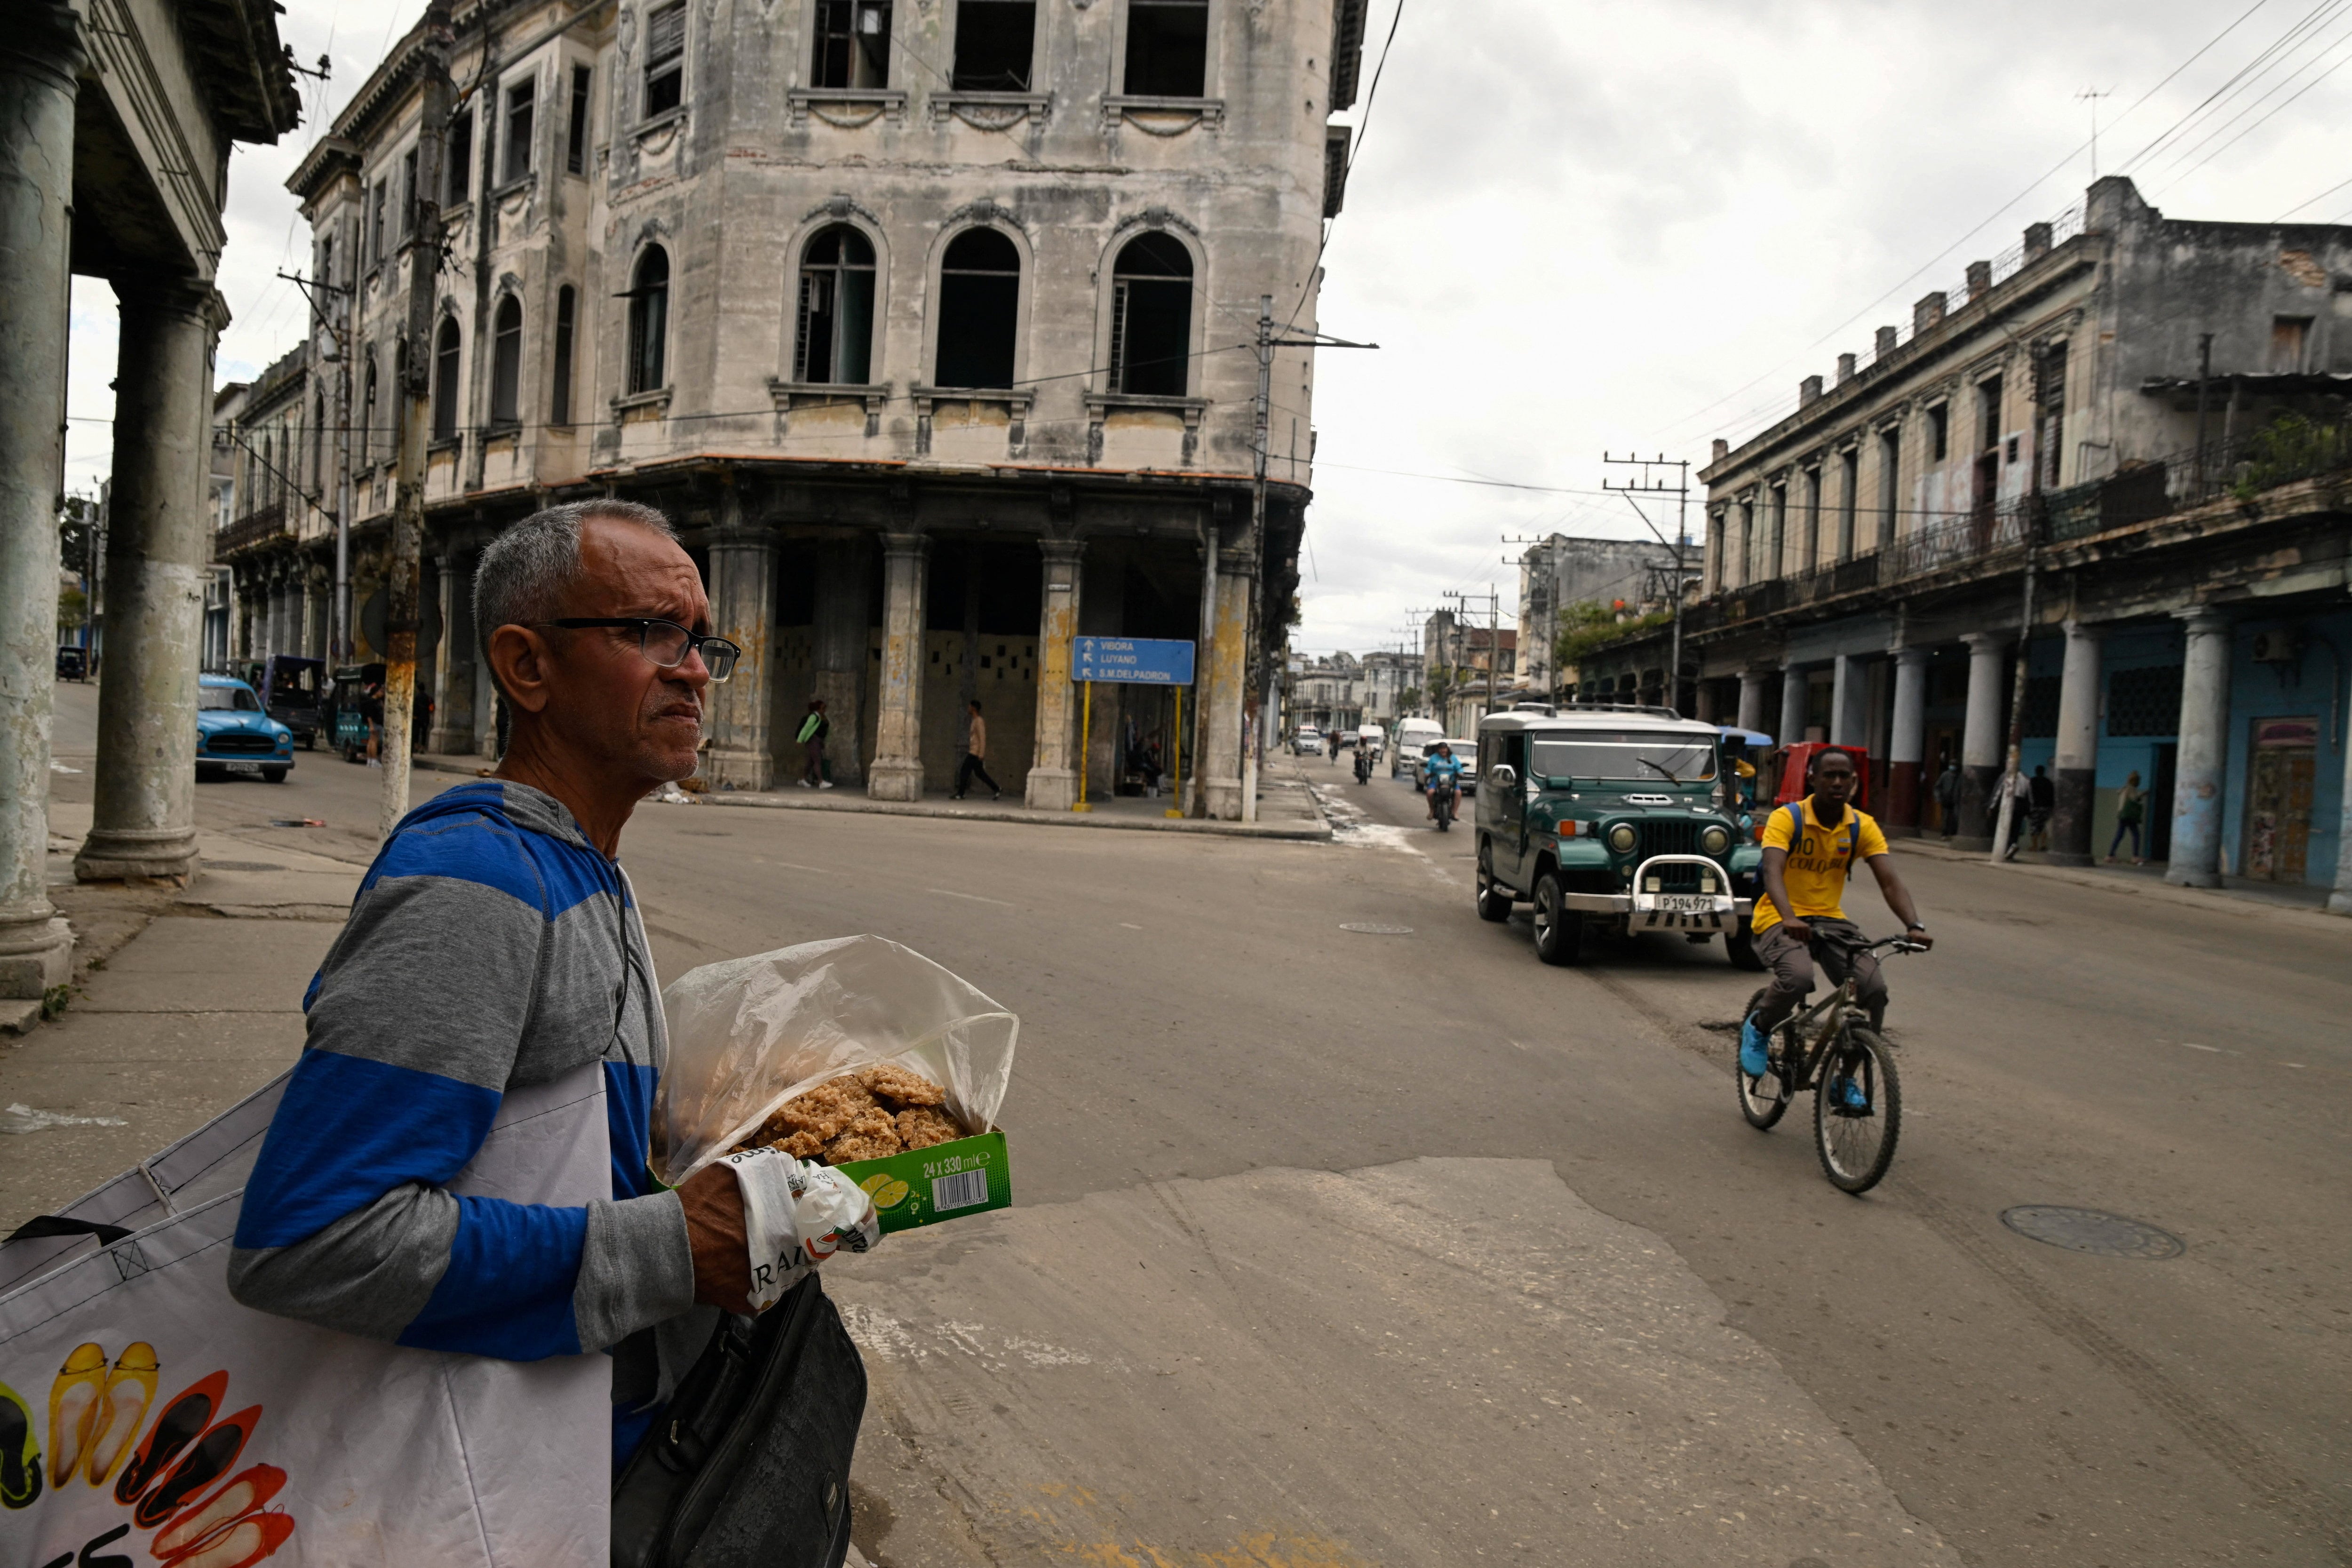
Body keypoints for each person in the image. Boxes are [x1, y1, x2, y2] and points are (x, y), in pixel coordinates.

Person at [227, 500, 773, 1479]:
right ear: (527, 666)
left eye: (699, 640)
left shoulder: (583, 863)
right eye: (650, 632)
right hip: (480, 1487)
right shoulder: (476, 881)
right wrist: (676, 1250)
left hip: (579, 1462)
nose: (693, 669)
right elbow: (312, 1237)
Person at [1739, 748, 1931, 1096]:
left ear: (1854, 781)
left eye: (1845, 776)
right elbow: (1772, 872)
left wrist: (1914, 924)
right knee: (1797, 977)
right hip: (1780, 916)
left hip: (1830, 920)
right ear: (1812, 779)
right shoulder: (1788, 818)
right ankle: (1759, 1027)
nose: (1838, 782)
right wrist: (1789, 917)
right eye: (1829, 775)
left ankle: (1846, 1077)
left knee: (1873, 989)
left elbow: (1889, 880)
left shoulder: (1861, 825)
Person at [951, 698, 1000, 800]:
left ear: (973, 708)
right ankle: (997, 789)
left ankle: (960, 794)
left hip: (975, 753)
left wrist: (981, 754)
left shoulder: (979, 721)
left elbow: (983, 738)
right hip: (974, 751)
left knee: (964, 771)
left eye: (969, 707)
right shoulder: (975, 721)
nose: (968, 708)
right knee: (980, 773)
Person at [2105, 770, 2147, 865]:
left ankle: (2110, 855)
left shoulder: (2124, 788)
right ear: (2135, 781)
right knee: (2136, 835)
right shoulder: (2131, 789)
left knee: (2119, 835)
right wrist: (2143, 794)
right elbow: (2134, 799)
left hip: (2122, 815)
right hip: (2129, 815)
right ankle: (2135, 857)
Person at [795, 698, 831, 788]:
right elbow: (806, 729)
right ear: (818, 709)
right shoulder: (814, 717)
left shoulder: (821, 717)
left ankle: (802, 779)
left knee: (811, 762)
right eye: (823, 708)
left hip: (818, 741)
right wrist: (799, 740)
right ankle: (821, 782)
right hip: (813, 741)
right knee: (817, 761)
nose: (824, 710)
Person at [1423, 741, 1463, 824]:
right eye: (1441, 749)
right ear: (1438, 750)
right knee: (1430, 793)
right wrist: (1427, 773)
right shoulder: (1433, 758)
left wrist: (1460, 773)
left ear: (1447, 749)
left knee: (1458, 793)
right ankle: (1432, 810)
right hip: (1436, 782)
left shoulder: (1453, 758)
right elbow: (1428, 768)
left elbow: (1459, 767)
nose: (1443, 751)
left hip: (1451, 782)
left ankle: (1454, 812)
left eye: (1445, 749)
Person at [2027, 764, 2056, 852]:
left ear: (2036, 772)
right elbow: (2053, 796)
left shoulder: (2032, 781)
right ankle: (2043, 845)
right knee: (2043, 826)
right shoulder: (2049, 782)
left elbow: (2029, 795)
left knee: (2034, 826)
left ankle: (2035, 846)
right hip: (2047, 808)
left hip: (2035, 807)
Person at [1933, 757, 1962, 838]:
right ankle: (1944, 834)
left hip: (1956, 800)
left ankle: (1953, 833)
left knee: (1956, 817)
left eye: (1954, 765)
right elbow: (1937, 787)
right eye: (1952, 765)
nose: (1953, 766)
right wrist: (1938, 798)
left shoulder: (1960, 776)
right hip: (1946, 800)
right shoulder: (1945, 775)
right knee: (1945, 818)